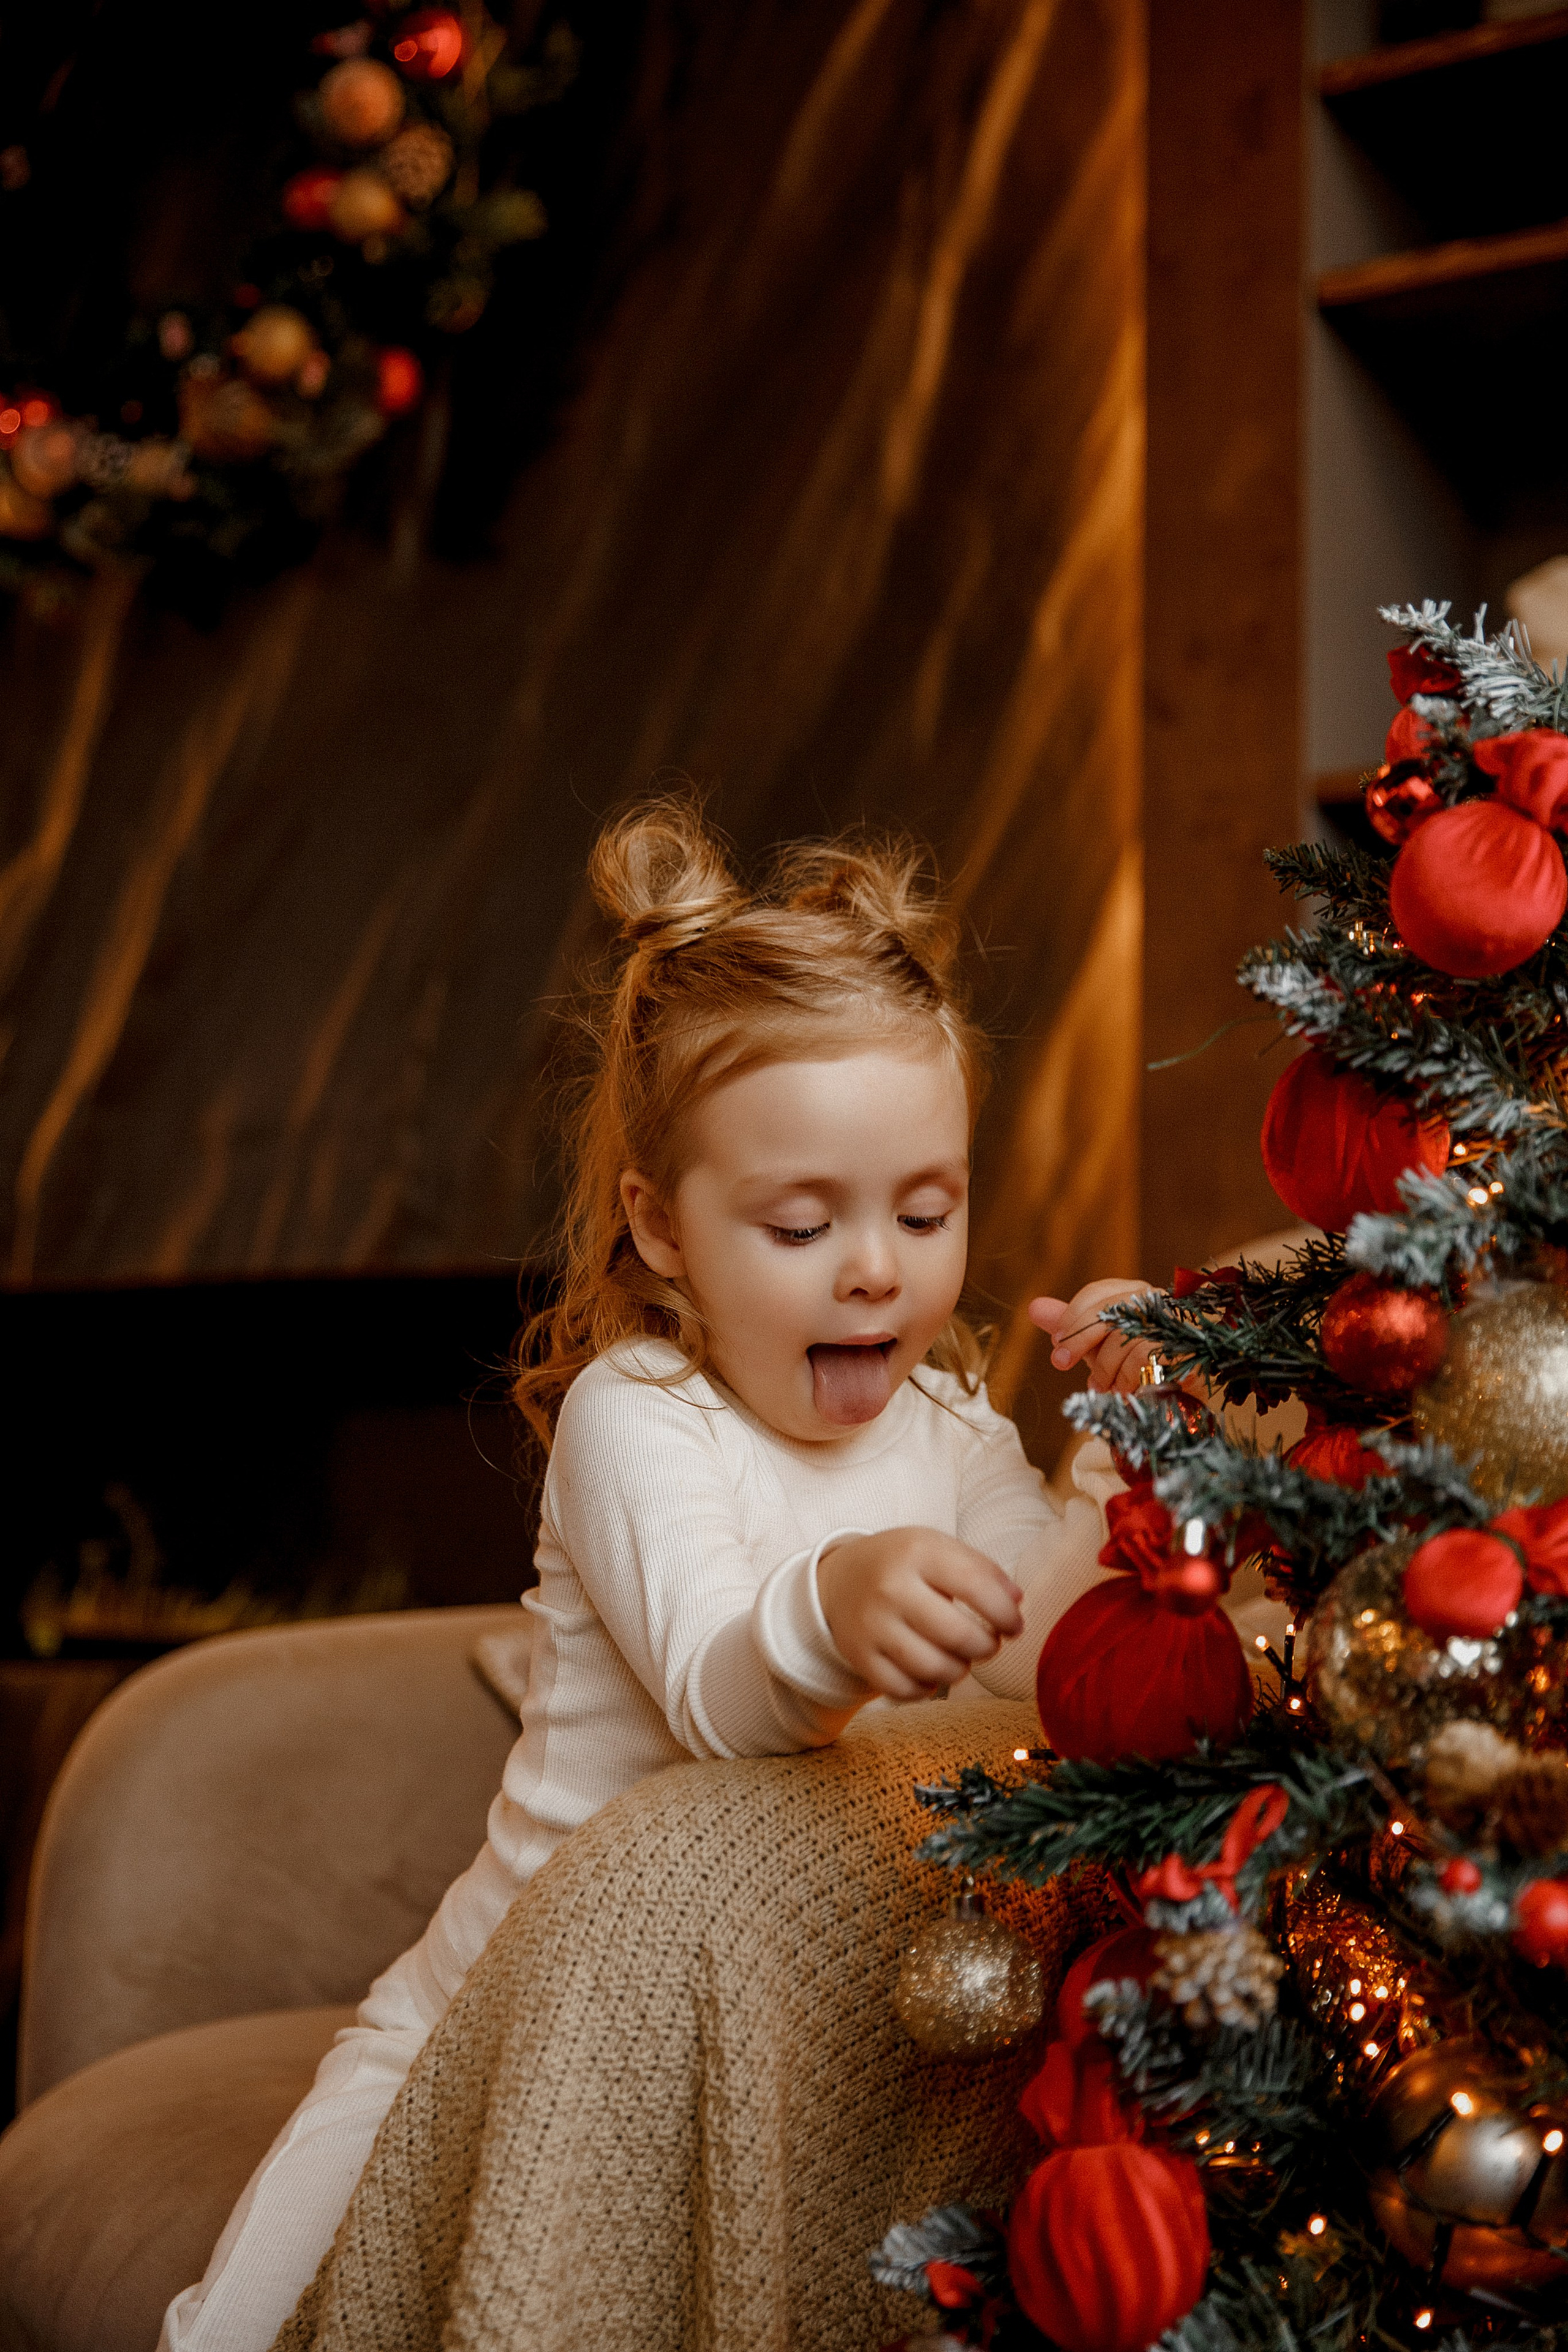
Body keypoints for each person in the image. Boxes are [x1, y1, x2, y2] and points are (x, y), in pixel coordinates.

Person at [160, 802, 1159, 2352]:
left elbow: (1048, 1653)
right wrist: (832, 1606)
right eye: (799, 1222)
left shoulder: (953, 1424)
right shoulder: (637, 1418)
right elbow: (712, 1688)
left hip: (741, 2023)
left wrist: (1124, 1450)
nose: (875, 1270)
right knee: (249, 2324)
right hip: (490, 2015)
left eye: (924, 1209)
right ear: (661, 1226)